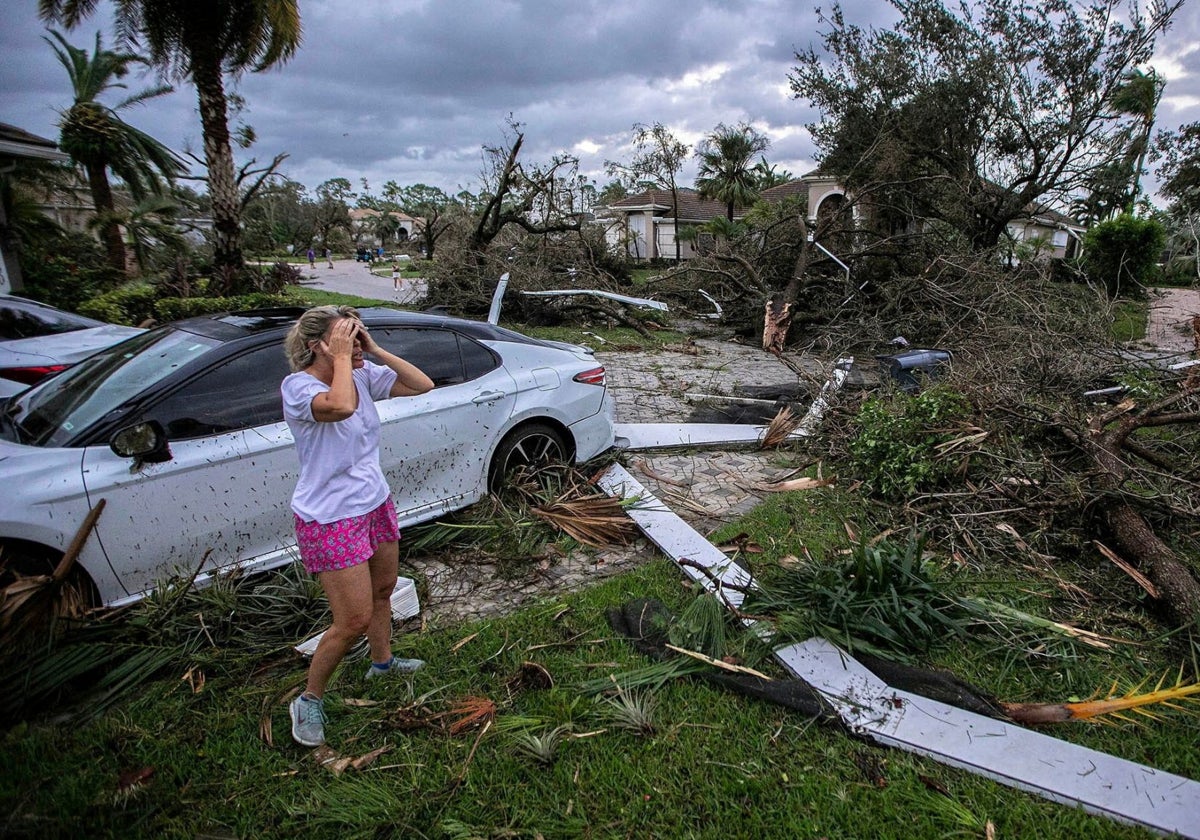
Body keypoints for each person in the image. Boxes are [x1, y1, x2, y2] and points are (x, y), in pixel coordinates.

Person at [281, 305, 435, 747]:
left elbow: (421, 384)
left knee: (384, 591)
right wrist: (345, 359)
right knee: (352, 620)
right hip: (330, 517)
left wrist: (373, 349)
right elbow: (341, 406)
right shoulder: (298, 387)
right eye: (345, 335)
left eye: (356, 333)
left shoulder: (363, 374)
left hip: (374, 502)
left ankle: (382, 662)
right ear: (318, 346)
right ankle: (309, 700)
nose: (355, 340)